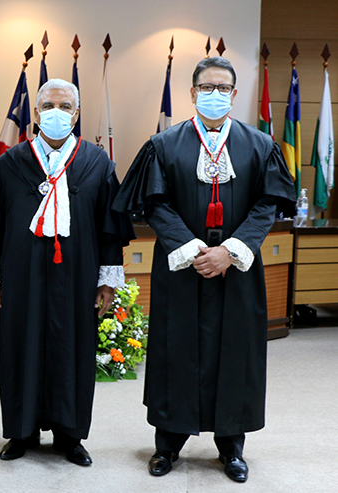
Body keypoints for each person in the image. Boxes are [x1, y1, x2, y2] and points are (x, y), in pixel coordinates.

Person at [113, 57, 295, 483]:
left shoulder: (260, 145)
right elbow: (154, 205)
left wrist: (229, 251)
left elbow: (268, 205)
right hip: (182, 267)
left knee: (236, 352)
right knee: (175, 350)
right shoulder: (164, 145)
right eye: (206, 87)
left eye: (223, 88)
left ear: (234, 95)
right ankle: (168, 445)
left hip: (237, 268)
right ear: (192, 93)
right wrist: (195, 249)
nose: (215, 94)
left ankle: (231, 446)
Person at [0, 79, 131, 466]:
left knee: (73, 350)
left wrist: (107, 280)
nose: (56, 113)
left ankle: (70, 435)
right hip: (22, 275)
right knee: (21, 347)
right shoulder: (10, 163)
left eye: (65, 107)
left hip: (76, 276)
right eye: (48, 105)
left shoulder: (97, 163)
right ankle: (21, 431)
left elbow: (109, 229)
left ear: (77, 114)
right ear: (35, 112)